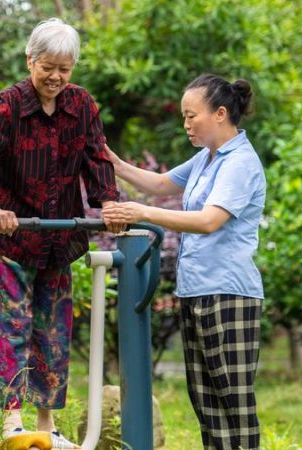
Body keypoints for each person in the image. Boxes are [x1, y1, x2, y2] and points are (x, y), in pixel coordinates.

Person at [0, 18, 122, 449]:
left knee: (53, 331)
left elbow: (95, 156)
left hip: (58, 239)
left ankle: (46, 424)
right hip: (12, 237)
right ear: (30, 60)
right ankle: (12, 424)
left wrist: (107, 201)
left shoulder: (82, 105)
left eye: (65, 69)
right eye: (48, 67)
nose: (55, 77)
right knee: (10, 324)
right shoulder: (9, 104)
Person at [103, 74, 265, 450]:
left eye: (192, 116)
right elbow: (160, 185)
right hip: (196, 290)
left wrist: (141, 213)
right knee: (206, 403)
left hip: (228, 294)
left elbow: (209, 221)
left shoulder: (239, 162)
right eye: (183, 116)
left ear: (221, 114)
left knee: (233, 402)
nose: (186, 124)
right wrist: (108, 159)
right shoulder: (207, 159)